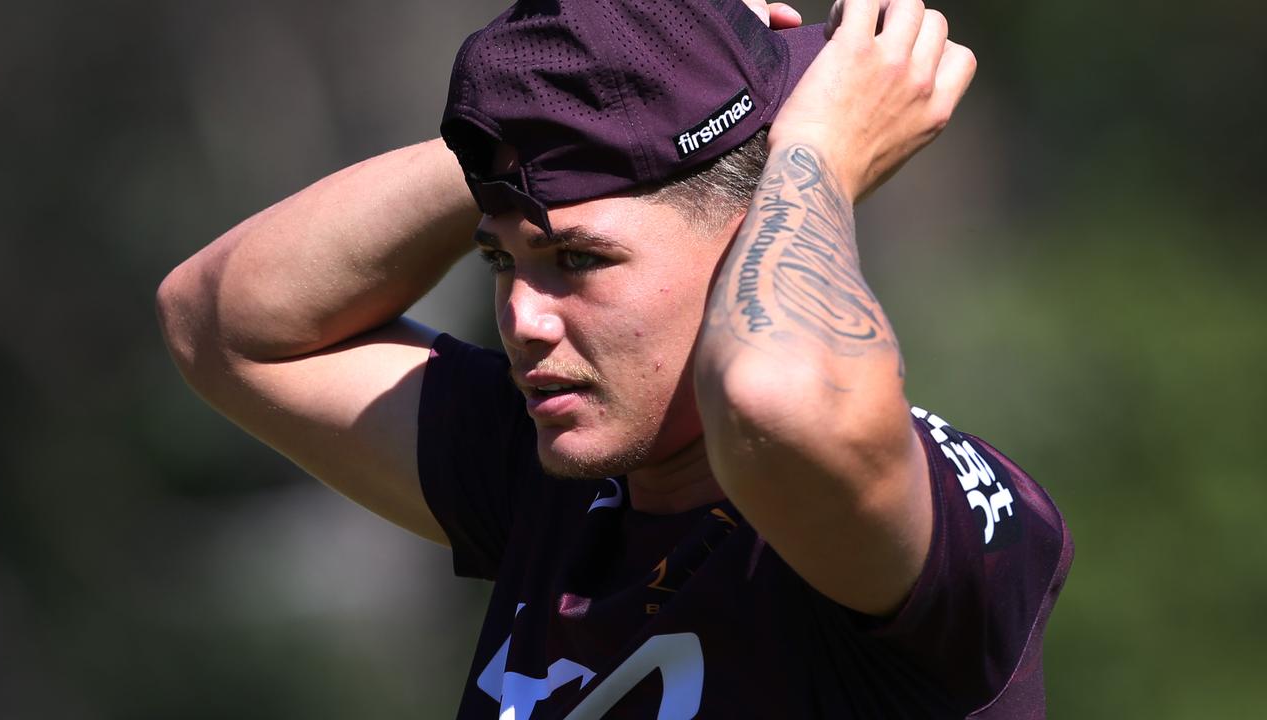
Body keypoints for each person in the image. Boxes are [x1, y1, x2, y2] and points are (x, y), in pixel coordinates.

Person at [157, 0, 1072, 716]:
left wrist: (816, 151)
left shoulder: (907, 509)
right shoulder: (554, 477)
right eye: (500, 260)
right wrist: (558, 111)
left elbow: (779, 406)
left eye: (578, 261)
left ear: (752, 233)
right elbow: (223, 322)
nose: (522, 318)